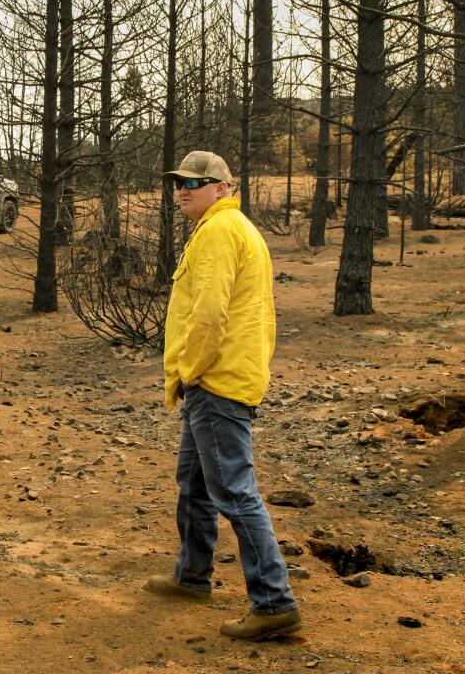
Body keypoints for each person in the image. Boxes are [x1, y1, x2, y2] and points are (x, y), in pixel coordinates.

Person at [143, 150, 302, 641]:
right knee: (193, 484)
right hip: (220, 380)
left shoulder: (218, 232)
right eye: (178, 183)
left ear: (223, 187)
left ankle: (273, 602)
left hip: (215, 383)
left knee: (233, 490)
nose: (183, 189)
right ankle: (192, 578)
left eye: (195, 181)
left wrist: (190, 373)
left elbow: (209, 316)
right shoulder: (232, 229)